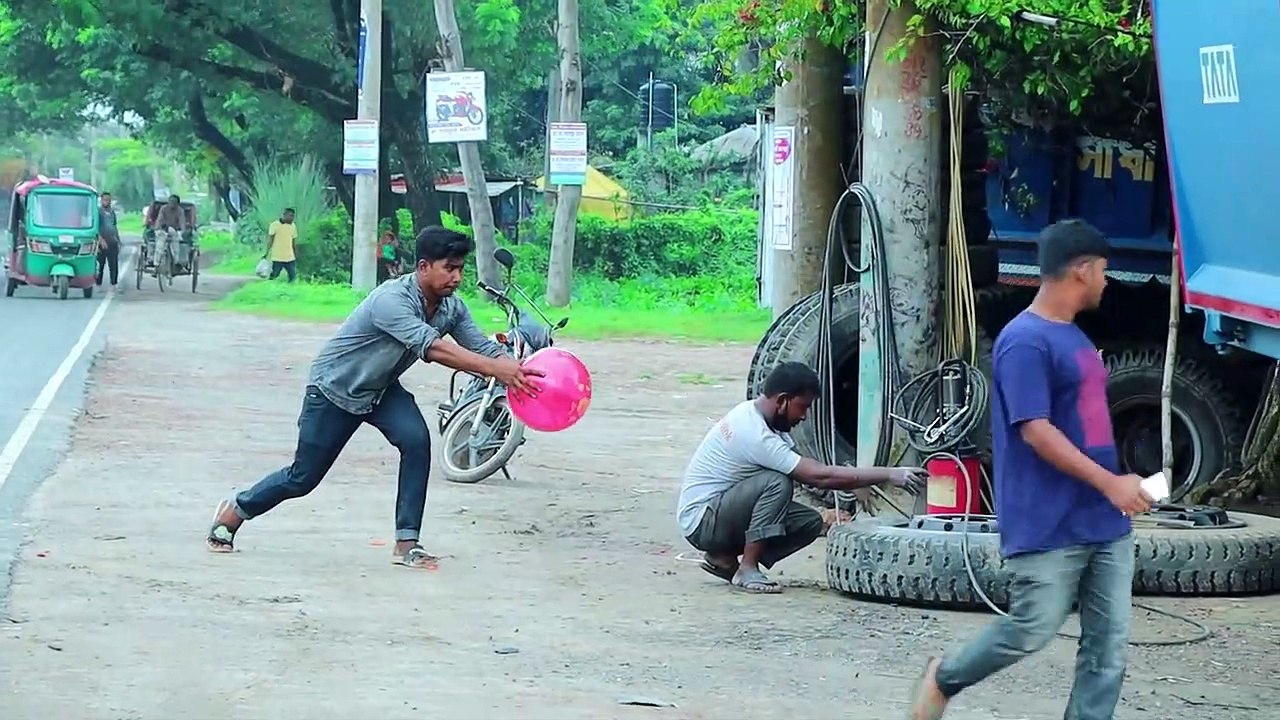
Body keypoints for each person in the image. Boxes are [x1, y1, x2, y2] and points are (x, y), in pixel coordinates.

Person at [910, 219, 1154, 720]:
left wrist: (1121, 486)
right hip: (1048, 520)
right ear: (1082, 270)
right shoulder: (1024, 341)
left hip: (1104, 520)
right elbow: (1035, 431)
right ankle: (944, 676)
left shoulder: (1075, 339)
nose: (1106, 281)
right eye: (1102, 270)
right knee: (1031, 628)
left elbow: (1084, 424)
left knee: (1108, 648)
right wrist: (1111, 483)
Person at [205, 226, 544, 568]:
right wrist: (495, 369)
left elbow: (481, 346)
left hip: (381, 389)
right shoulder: (391, 300)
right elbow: (433, 348)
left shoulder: (451, 308)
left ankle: (407, 542)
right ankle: (236, 509)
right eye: (449, 268)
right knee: (303, 478)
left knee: (416, 441)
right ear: (424, 267)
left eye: (460, 269)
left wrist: (519, 368)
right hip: (334, 389)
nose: (457, 277)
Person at [675, 360, 927, 594]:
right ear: (783, 400)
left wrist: (854, 483)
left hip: (717, 514)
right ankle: (747, 569)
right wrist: (891, 474)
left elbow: (807, 468)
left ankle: (722, 556)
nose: (804, 416)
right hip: (702, 522)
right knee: (776, 483)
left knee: (809, 522)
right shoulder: (755, 434)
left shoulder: (757, 417)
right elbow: (816, 476)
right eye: (803, 406)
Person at [95, 192, 121, 291]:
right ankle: (98, 284)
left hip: (112, 241)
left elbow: (114, 226)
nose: (107, 202)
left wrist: (118, 240)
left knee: (113, 264)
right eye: (105, 200)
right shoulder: (98, 212)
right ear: (101, 200)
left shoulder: (112, 212)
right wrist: (101, 240)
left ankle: (113, 284)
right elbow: (96, 228)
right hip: (102, 242)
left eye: (109, 200)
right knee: (100, 264)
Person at [265, 207, 299, 282]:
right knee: (274, 276)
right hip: (278, 257)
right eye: (290, 216)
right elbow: (270, 240)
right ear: (284, 215)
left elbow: (293, 241)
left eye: (293, 216)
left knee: (292, 277)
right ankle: (270, 286)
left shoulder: (293, 226)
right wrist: (267, 252)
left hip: (290, 257)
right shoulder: (275, 225)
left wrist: (296, 253)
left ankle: (290, 288)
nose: (292, 218)